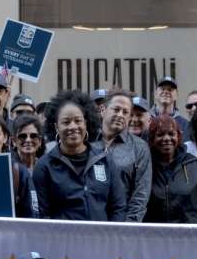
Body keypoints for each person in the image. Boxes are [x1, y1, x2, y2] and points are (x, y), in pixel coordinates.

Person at [32, 90, 127, 221]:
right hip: (62, 240)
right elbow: (42, 214)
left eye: (78, 120)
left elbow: (118, 207)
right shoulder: (44, 167)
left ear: (86, 124)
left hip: (102, 240)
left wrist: (111, 237)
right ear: (56, 127)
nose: (73, 126)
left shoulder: (105, 161)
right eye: (66, 122)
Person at [93, 92, 151, 222]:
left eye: (125, 112)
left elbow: (140, 196)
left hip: (123, 226)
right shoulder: (87, 141)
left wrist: (127, 228)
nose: (120, 115)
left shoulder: (140, 148)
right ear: (103, 110)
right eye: (116, 109)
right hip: (88, 226)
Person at [145, 116, 197, 223]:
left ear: (179, 137)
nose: (166, 138)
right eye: (160, 134)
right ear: (152, 138)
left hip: (190, 234)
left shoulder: (194, 164)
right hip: (154, 235)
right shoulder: (145, 165)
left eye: (171, 134)